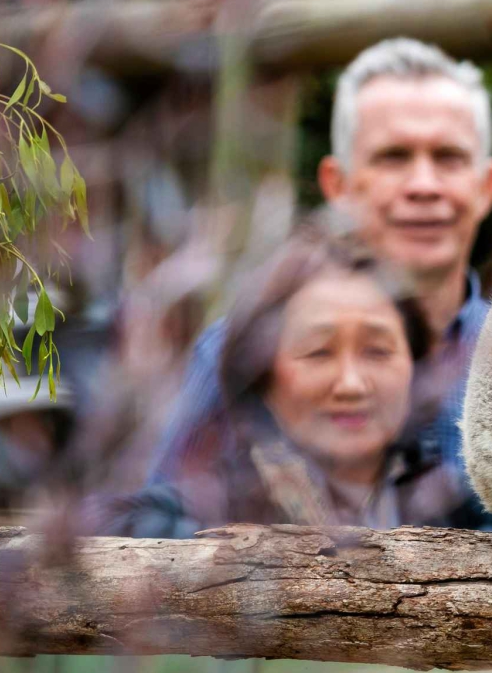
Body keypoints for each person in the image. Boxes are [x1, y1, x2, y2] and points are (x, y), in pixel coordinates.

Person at [121, 38, 492, 540]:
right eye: (394, 157)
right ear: (337, 184)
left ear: (486, 185)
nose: (424, 184)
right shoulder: (240, 350)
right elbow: (153, 544)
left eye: (448, 157)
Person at [108, 218, 466, 534]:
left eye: (378, 351)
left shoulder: (458, 508)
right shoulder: (209, 507)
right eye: (318, 352)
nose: (351, 384)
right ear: (262, 374)